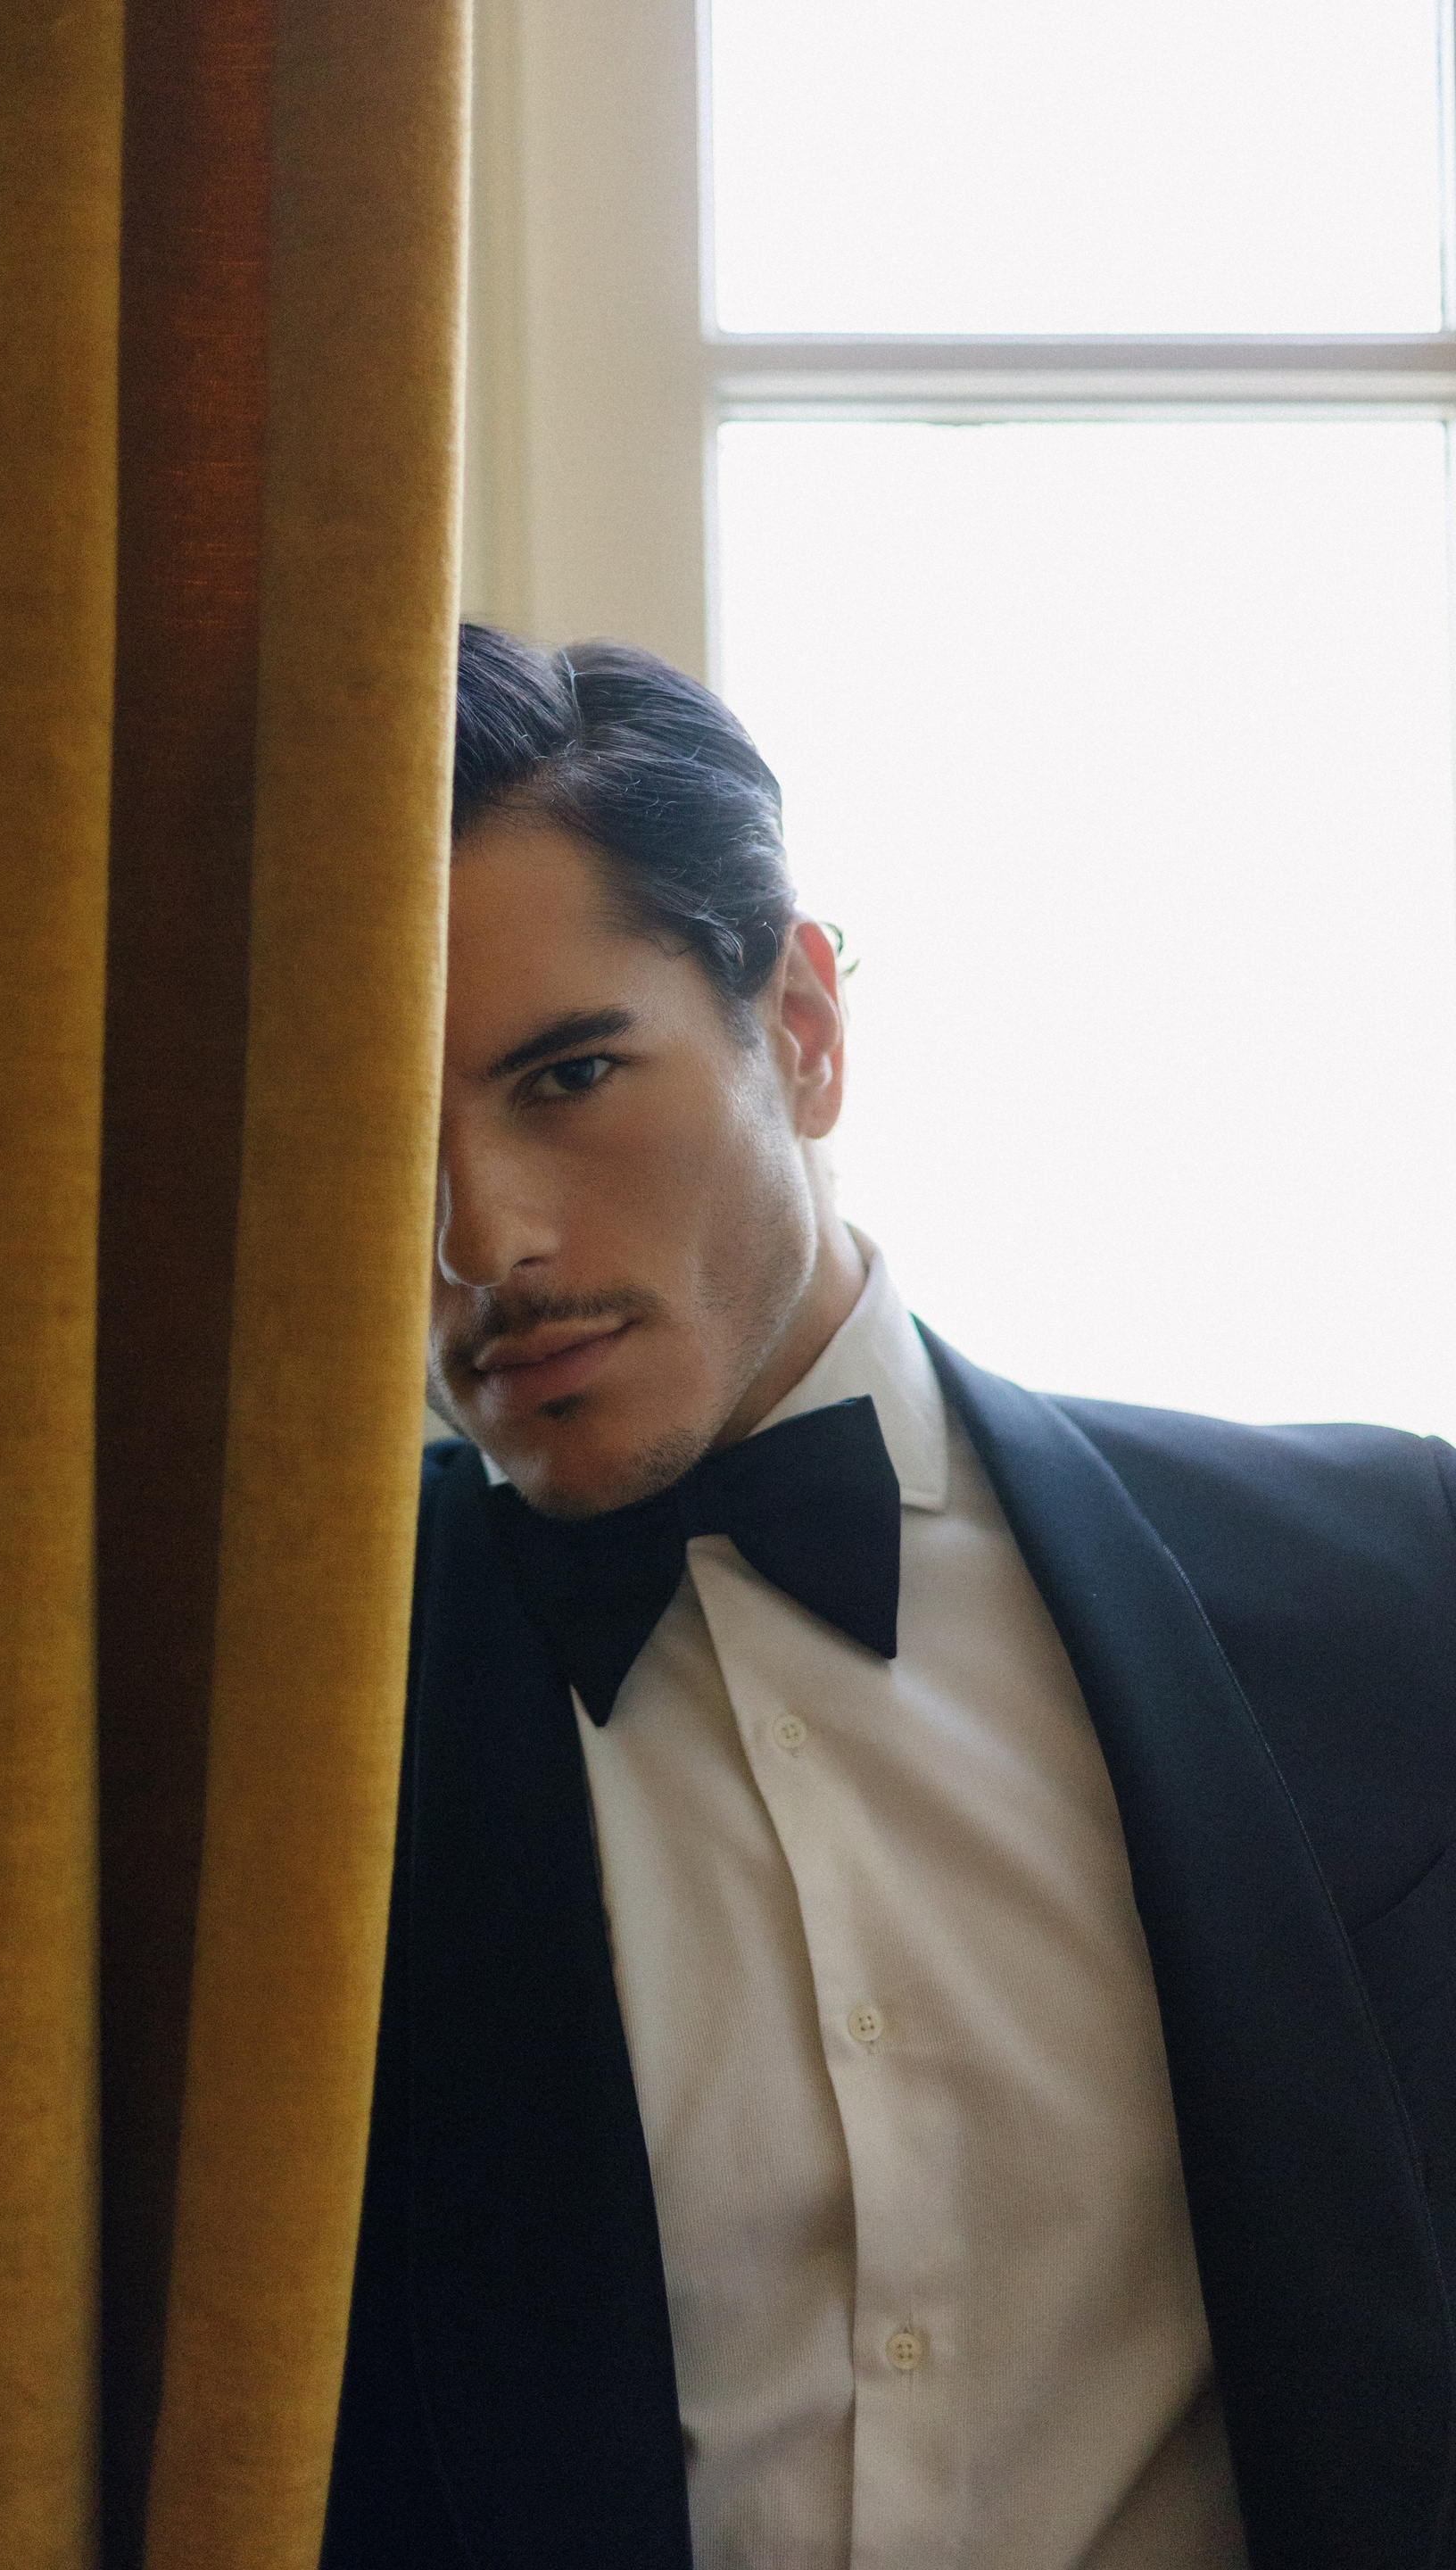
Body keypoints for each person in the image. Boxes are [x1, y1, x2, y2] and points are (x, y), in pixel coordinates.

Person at [321, 625, 1456, 2570]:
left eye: (571, 1075)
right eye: (371, 1142)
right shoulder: (280, 1720)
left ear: (804, 1026)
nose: (483, 1239)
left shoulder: (1390, 1594)